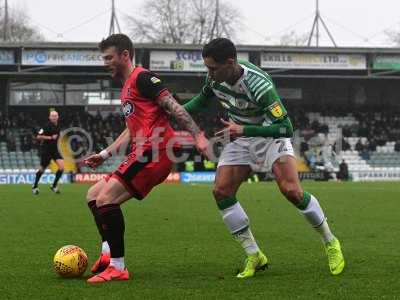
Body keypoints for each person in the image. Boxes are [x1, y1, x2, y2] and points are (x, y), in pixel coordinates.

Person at [183, 38, 345, 278]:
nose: (209, 73)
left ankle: (330, 242)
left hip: (269, 133)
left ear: (230, 62)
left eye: (213, 68)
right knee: (222, 192)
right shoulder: (214, 78)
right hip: (241, 135)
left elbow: (286, 128)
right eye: (207, 67)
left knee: (292, 191)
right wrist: (172, 109)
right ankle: (254, 255)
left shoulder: (259, 85)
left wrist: (244, 130)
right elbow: (201, 101)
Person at [83, 34, 209, 284]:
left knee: (106, 199)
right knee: (94, 195)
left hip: (155, 150)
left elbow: (174, 107)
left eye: (109, 57)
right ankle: (108, 255)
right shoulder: (127, 86)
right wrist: (105, 153)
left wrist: (198, 136)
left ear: (125, 55)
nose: (105, 62)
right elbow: (131, 129)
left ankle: (118, 267)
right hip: (142, 152)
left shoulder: (142, 77)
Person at [32, 110, 64, 195]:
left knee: (61, 167)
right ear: (50, 117)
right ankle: (35, 186)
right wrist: (50, 137)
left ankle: (54, 185)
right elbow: (38, 136)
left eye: (55, 116)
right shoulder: (46, 126)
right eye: (52, 116)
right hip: (46, 150)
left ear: (58, 117)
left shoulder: (58, 126)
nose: (54, 117)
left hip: (55, 150)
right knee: (42, 169)